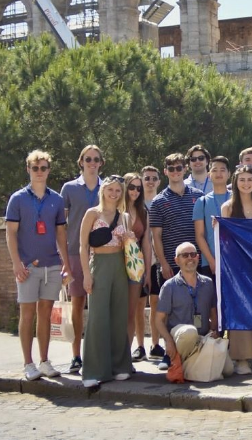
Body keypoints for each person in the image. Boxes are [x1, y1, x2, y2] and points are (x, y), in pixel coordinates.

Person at [6, 150, 71, 381]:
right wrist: (16, 264)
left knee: (45, 314)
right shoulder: (18, 199)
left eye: (43, 168)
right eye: (35, 168)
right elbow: (11, 234)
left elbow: (61, 234)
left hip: (52, 266)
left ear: (49, 170)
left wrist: (67, 265)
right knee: (27, 314)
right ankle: (28, 363)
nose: (40, 172)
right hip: (27, 268)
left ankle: (44, 361)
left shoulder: (56, 199)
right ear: (28, 170)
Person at [79, 175, 134, 388]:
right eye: (110, 189)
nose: (114, 194)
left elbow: (128, 247)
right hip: (99, 264)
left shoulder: (125, 217)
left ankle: (119, 365)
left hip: (120, 264)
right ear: (103, 191)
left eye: (118, 190)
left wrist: (130, 239)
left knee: (119, 315)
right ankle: (93, 369)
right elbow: (83, 246)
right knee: (97, 316)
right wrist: (86, 273)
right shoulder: (92, 213)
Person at [222, 165, 252, 374]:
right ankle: (241, 359)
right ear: (235, 182)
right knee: (240, 308)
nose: (246, 183)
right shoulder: (227, 207)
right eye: (242, 179)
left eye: (249, 179)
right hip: (236, 266)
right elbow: (224, 239)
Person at [60, 144, 104, 374]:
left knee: (99, 306)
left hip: (103, 254)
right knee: (78, 304)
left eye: (96, 159)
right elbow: (60, 225)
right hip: (76, 255)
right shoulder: (68, 189)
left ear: (101, 163)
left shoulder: (107, 188)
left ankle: (96, 354)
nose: (92, 163)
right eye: (88, 159)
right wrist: (63, 259)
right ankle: (76, 355)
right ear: (81, 162)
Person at [154, 242, 219, 372]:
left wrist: (214, 331)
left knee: (227, 368)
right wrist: (168, 342)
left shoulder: (208, 283)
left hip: (203, 338)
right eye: (185, 255)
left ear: (198, 257)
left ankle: (186, 365)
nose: (190, 258)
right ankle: (174, 358)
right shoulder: (169, 286)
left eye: (193, 254)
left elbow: (213, 312)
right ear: (177, 261)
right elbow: (159, 320)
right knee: (189, 332)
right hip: (180, 338)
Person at [149, 154, 204, 289]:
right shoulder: (158, 201)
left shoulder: (199, 196)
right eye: (171, 168)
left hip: (197, 262)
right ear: (165, 171)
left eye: (179, 167)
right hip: (172, 265)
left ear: (185, 169)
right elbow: (156, 237)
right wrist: (163, 264)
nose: (175, 171)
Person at [123, 173, 152, 354]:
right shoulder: (116, 209)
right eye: (132, 187)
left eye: (138, 188)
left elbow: (147, 243)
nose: (135, 191)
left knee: (131, 313)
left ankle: (126, 354)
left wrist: (148, 272)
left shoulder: (143, 210)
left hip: (136, 267)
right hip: (115, 264)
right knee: (117, 312)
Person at [139, 165, 164, 361]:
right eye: (146, 178)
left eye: (153, 178)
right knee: (138, 305)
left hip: (157, 259)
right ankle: (139, 345)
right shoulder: (135, 203)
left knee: (155, 302)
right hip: (137, 260)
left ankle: (156, 344)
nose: (150, 181)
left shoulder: (161, 201)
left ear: (158, 181)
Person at [193, 156, 231, 278]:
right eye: (214, 170)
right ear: (209, 175)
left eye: (222, 170)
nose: (218, 173)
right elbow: (199, 236)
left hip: (234, 260)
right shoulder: (202, 201)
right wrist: (211, 260)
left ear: (229, 174)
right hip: (209, 263)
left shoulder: (237, 199)